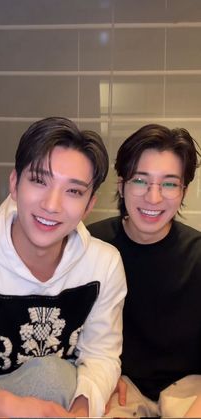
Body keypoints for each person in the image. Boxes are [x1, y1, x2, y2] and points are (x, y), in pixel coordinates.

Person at [0, 117, 127, 418]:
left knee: (55, 377)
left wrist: (82, 409)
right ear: (14, 183)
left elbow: (101, 354)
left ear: (89, 204)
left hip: (62, 402)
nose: (52, 205)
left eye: (74, 191)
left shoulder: (104, 264)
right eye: (39, 180)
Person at [88, 123, 201, 418]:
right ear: (121, 185)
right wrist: (95, 380)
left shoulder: (197, 254)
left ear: (183, 190)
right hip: (118, 385)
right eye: (140, 180)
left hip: (190, 387)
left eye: (169, 183)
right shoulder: (89, 247)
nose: (153, 198)